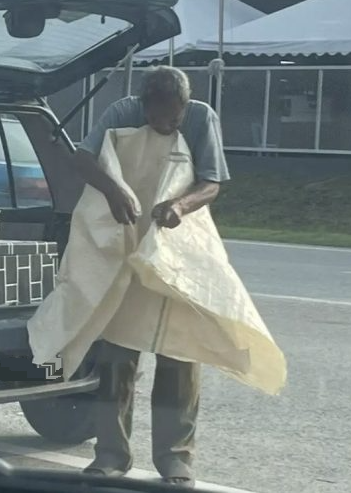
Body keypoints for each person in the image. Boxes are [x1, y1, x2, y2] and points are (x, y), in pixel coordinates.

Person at [70, 66, 230, 488]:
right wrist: (113, 189)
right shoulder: (120, 113)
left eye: (173, 119)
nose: (165, 126)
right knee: (117, 353)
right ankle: (110, 455)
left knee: (179, 351)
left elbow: (212, 182)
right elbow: (82, 158)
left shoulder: (201, 117)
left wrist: (180, 205)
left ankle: (176, 458)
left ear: (184, 107)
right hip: (126, 242)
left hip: (180, 245)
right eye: (157, 117)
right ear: (143, 105)